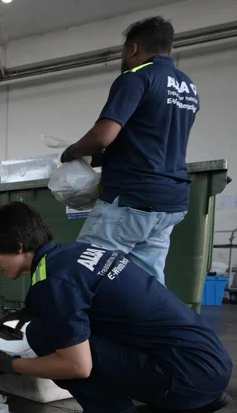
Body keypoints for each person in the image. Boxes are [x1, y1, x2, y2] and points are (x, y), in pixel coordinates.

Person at [0, 202, 231, 413]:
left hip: (187, 375)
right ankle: (189, 401)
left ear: (18, 246)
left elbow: (77, 367)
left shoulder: (53, 283)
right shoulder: (74, 253)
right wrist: (31, 310)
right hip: (209, 362)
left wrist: (9, 364)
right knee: (53, 327)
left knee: (42, 335)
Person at [60, 17, 198, 284]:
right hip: (171, 201)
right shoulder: (188, 87)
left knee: (83, 271)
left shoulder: (136, 77)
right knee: (146, 281)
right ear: (168, 50)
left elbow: (103, 136)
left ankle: (71, 314)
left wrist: (72, 152)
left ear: (133, 49)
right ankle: (153, 313)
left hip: (132, 197)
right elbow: (151, 140)